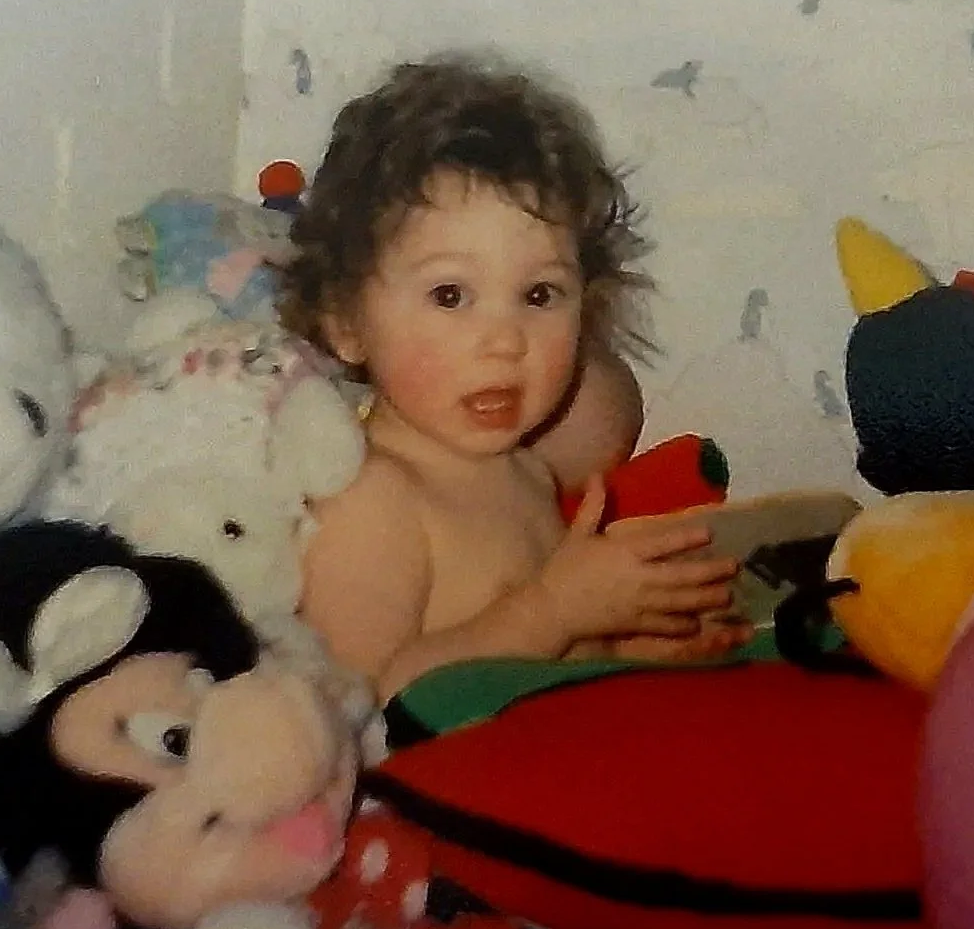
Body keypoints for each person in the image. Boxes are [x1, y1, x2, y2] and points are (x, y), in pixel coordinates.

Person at [280, 53, 745, 699]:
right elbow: (364, 707)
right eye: (449, 295)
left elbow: (533, 663)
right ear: (344, 324)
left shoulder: (526, 471)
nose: (504, 342)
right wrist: (553, 610)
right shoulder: (371, 503)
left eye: (538, 296)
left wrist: (624, 642)